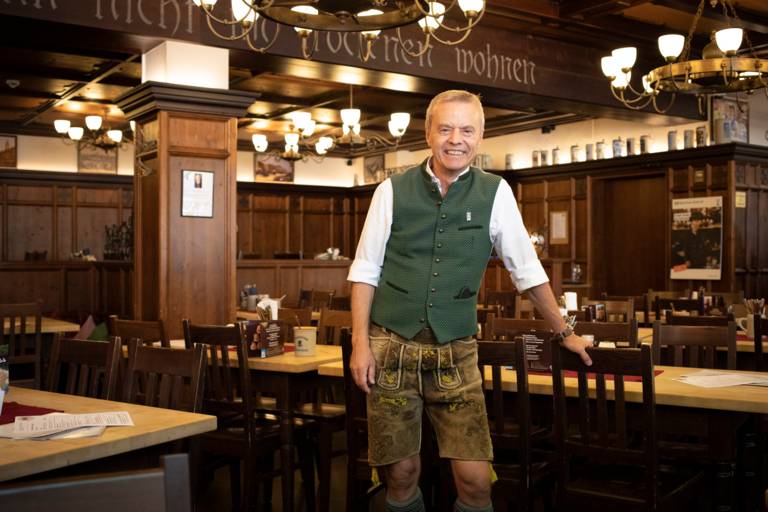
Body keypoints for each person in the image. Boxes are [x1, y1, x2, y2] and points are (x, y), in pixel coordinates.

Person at [347, 90, 592, 512]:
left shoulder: (496, 192)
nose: (455, 139)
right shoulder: (391, 191)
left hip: (456, 350)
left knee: (476, 481)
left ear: (479, 137)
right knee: (401, 474)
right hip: (391, 348)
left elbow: (527, 272)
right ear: (428, 133)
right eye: (445, 128)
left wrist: (566, 332)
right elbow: (366, 271)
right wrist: (359, 344)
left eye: (466, 129)